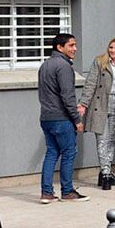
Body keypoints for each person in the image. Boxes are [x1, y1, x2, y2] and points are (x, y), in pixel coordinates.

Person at [37, 32, 89, 204]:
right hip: (61, 118)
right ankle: (67, 192)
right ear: (60, 47)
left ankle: (47, 193)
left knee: (51, 153)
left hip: (46, 118)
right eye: (71, 45)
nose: (75, 48)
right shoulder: (64, 67)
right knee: (68, 152)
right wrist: (77, 120)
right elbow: (68, 97)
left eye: (75, 45)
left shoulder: (45, 65)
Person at [78, 37, 115, 190]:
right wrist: (83, 103)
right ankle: (107, 175)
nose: (113, 51)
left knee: (110, 142)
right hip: (100, 105)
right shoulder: (100, 62)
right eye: (111, 47)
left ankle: (105, 173)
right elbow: (90, 83)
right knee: (102, 141)